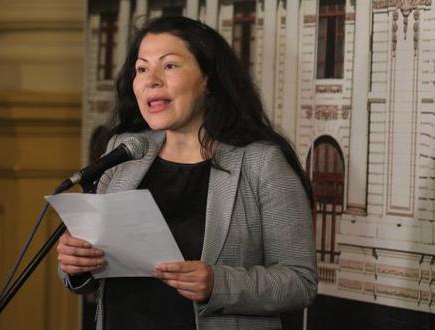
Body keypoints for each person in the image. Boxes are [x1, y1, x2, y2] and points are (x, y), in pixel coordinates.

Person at [57, 16, 317, 330]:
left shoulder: (262, 163)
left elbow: (300, 281)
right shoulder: (125, 153)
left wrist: (217, 284)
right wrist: (77, 265)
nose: (151, 79)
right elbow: (90, 273)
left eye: (169, 66)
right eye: (141, 68)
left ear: (209, 79)